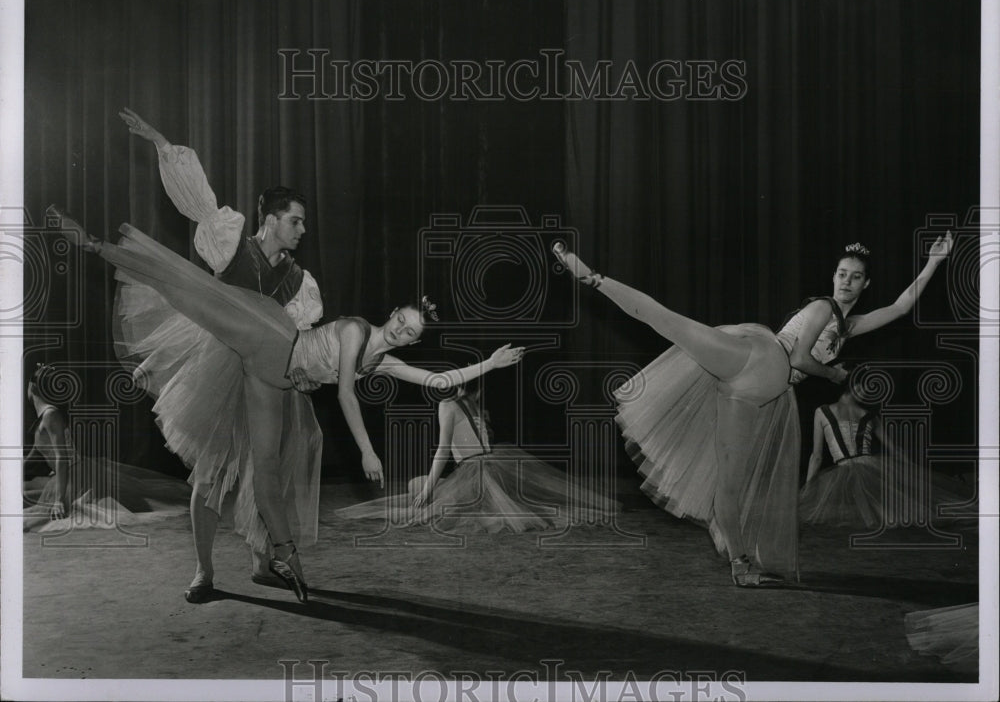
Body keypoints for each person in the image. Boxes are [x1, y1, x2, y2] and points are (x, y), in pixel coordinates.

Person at [50, 209, 525, 601]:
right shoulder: (358, 331)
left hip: (275, 384)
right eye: (402, 320)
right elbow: (342, 394)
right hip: (270, 338)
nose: (402, 330)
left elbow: (438, 378)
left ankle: (283, 555)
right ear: (393, 313)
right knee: (195, 295)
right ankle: (95, 245)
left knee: (269, 473)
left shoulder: (381, 362)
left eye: (411, 333)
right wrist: (367, 451)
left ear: (413, 340)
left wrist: (490, 363)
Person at [551, 234, 952, 586]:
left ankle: (739, 562)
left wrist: (933, 261)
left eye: (856, 277)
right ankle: (592, 277)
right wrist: (832, 374)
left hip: (755, 392)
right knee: (671, 323)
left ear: (866, 284)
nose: (847, 282)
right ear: (833, 276)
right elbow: (798, 357)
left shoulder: (849, 325)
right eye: (842, 273)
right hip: (763, 363)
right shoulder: (824, 308)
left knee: (730, 481)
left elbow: (900, 307)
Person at [117, 108, 333, 603]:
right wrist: (160, 141)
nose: (302, 230)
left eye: (304, 222)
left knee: (265, 471)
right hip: (215, 365)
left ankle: (263, 563)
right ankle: (204, 572)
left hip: (265, 377)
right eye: (295, 221)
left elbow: (300, 340)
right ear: (271, 219)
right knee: (212, 474)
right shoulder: (229, 238)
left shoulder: (303, 284)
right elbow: (198, 197)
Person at [337, 379, 618, 532]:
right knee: (434, 488)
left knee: (417, 488)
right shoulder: (471, 402)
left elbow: (444, 449)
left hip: (477, 471)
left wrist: (428, 488)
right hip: (496, 465)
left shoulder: (448, 404)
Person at [23, 364, 189, 532]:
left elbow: (61, 457)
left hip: (76, 475)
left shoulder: (51, 415)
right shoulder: (44, 417)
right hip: (66, 475)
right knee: (27, 498)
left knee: (38, 515)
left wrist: (59, 499)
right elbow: (38, 455)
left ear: (33, 387)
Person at [800, 368, 973, 528]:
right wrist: (913, 473)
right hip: (871, 468)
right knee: (894, 512)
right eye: (865, 388)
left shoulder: (823, 412)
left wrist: (808, 490)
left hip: (850, 470)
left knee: (869, 514)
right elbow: (894, 449)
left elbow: (817, 456)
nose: (866, 393)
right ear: (853, 385)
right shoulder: (868, 415)